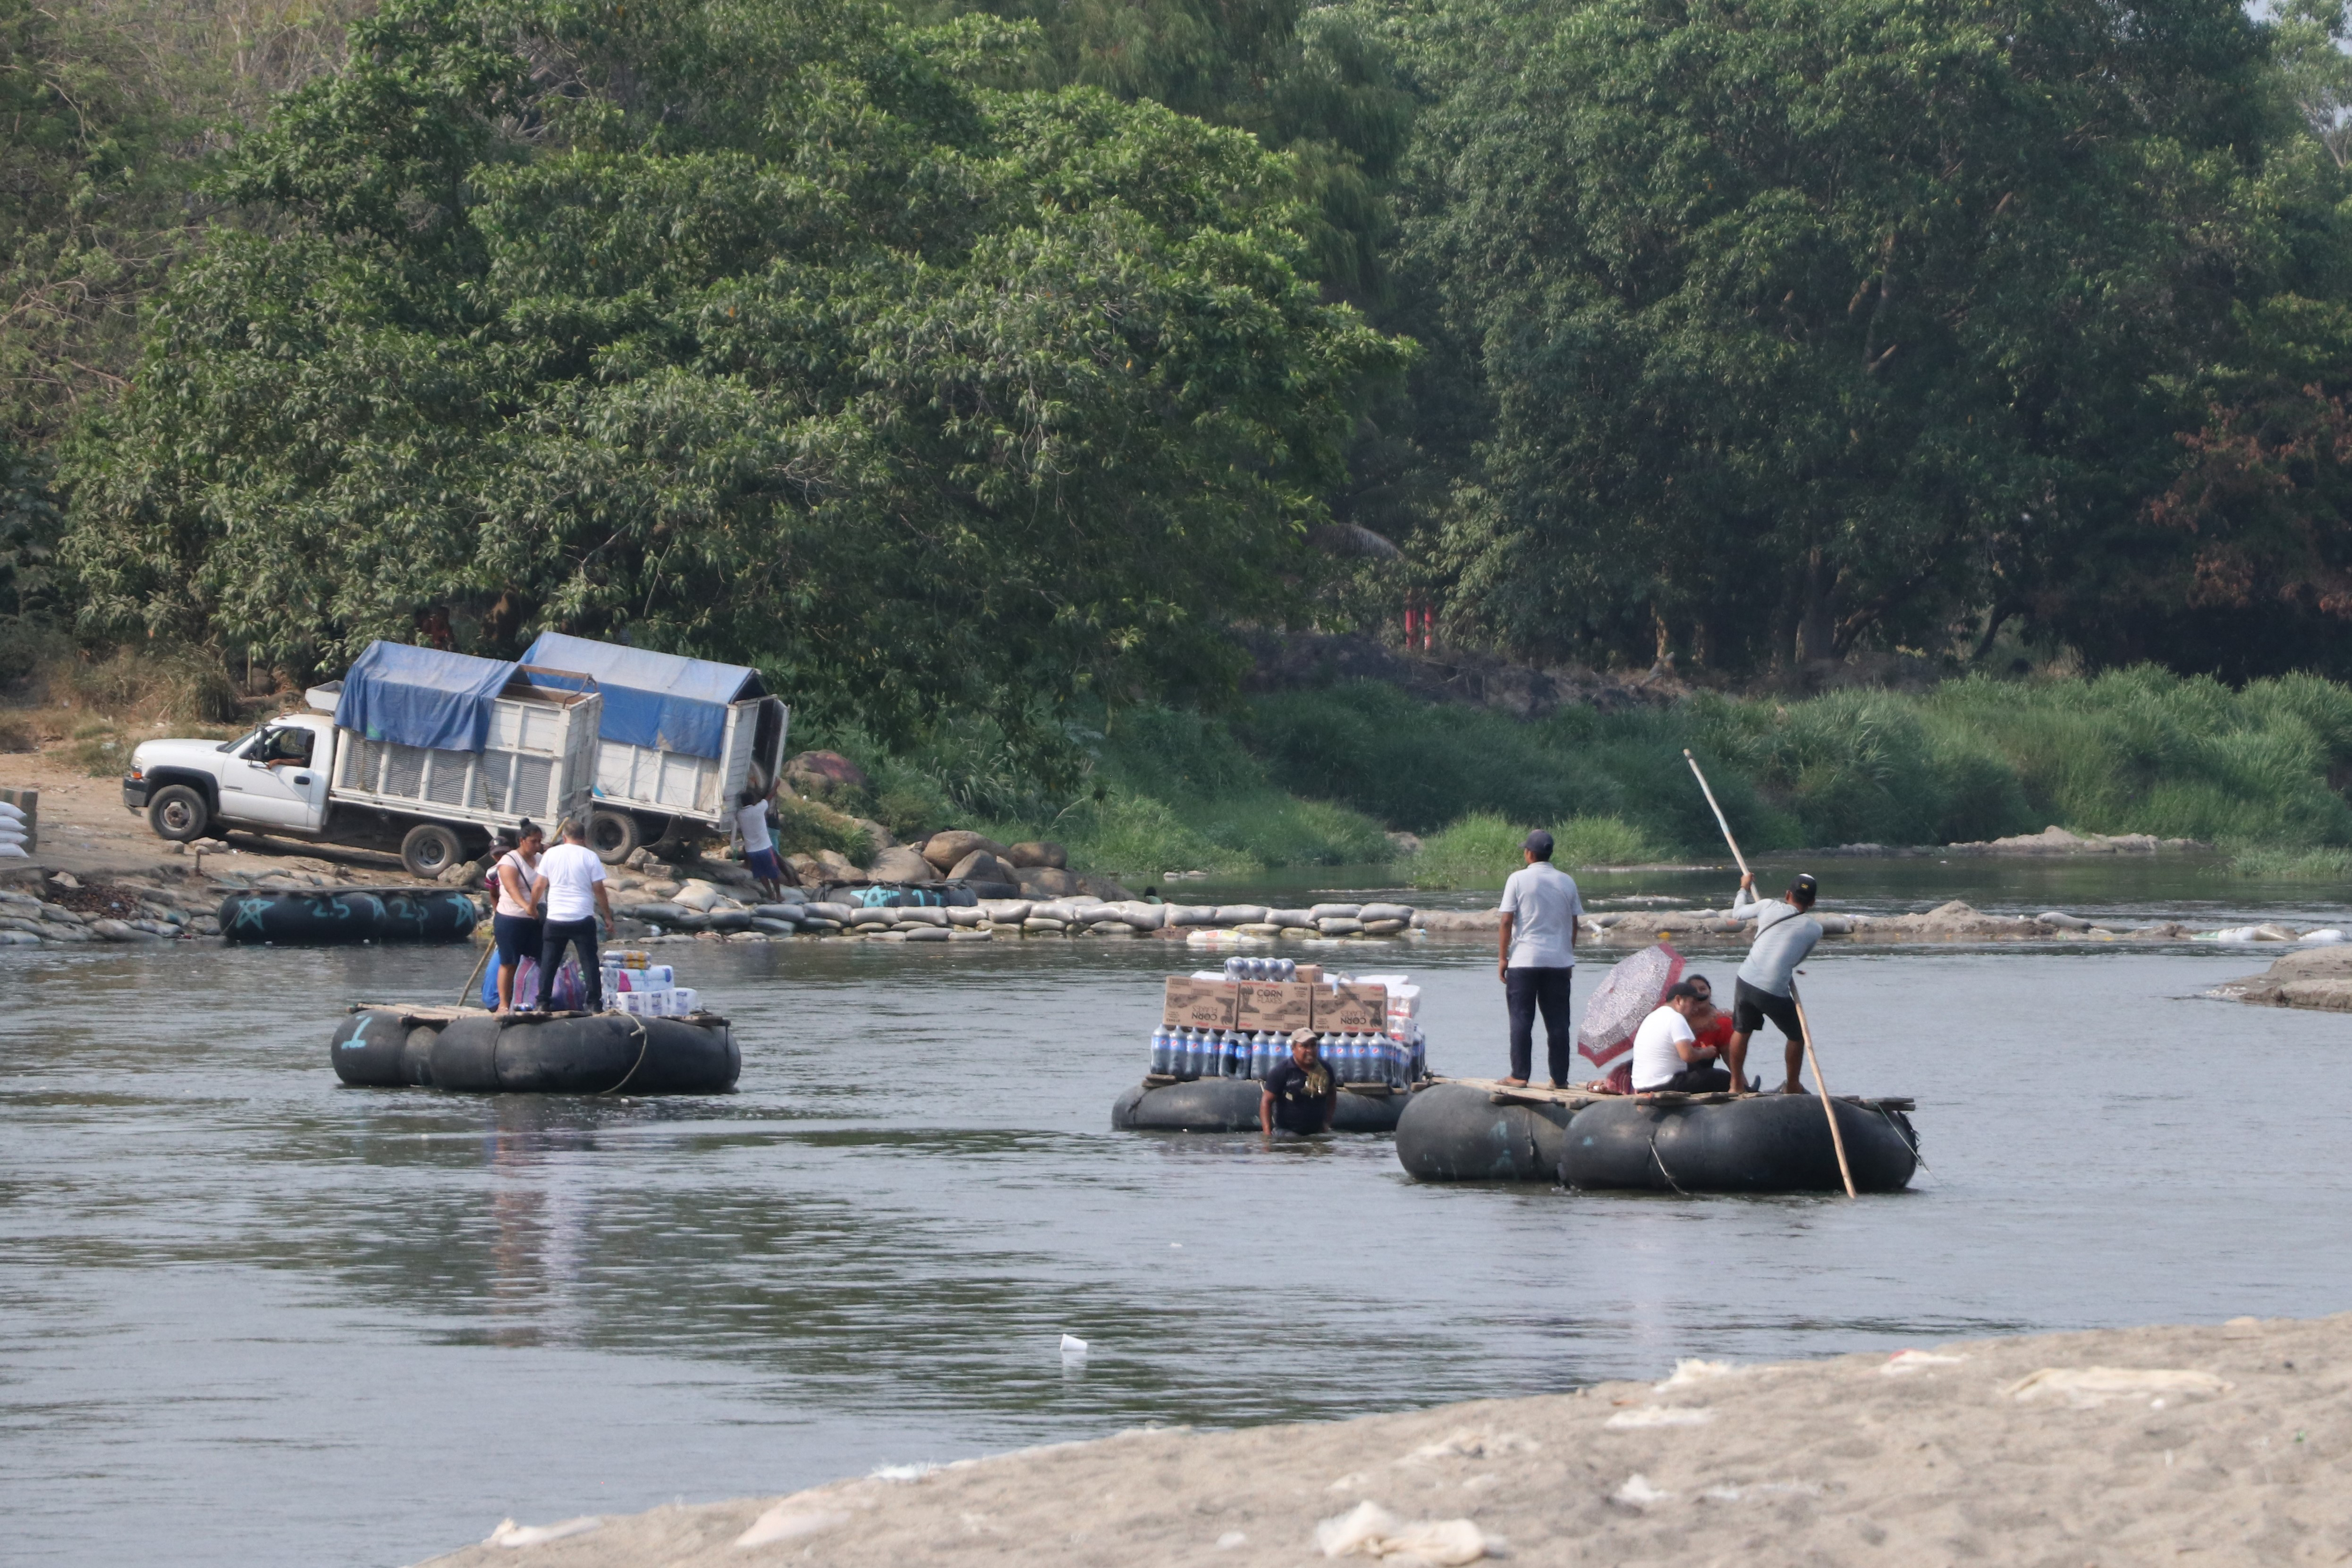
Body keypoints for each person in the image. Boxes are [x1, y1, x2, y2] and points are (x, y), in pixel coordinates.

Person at [1497, 828, 1584, 1087]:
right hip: (1558, 962)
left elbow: (1506, 921)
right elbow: (1574, 924)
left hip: (1524, 961)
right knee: (1558, 1023)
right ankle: (1559, 1079)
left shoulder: (1517, 880)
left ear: (1529, 854)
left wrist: (1503, 958)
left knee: (1521, 1020)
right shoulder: (1567, 881)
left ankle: (1519, 1076)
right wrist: (1567, 955)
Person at [1726, 870, 1823, 1095]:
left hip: (1746, 979)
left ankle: (1735, 1085)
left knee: (1741, 1030)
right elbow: (1797, 959)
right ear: (1813, 903)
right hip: (1772, 988)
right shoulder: (1815, 929)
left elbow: (1738, 913)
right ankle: (1792, 1085)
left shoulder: (1768, 906)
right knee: (1797, 1036)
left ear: (1788, 894)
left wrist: (1744, 887)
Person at [528, 818, 614, 1013]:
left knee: (549, 960)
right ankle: (594, 1004)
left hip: (556, 917)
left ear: (564, 837)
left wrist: (532, 907)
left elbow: (540, 885)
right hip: (582, 917)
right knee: (589, 961)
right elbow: (599, 890)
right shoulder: (590, 857)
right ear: (584, 838)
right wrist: (608, 917)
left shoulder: (551, 854)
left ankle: (543, 1002)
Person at [1629, 980, 1731, 1093]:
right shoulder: (1676, 1018)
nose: (1696, 1009)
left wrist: (1697, 1050)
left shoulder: (1652, 1017)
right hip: (1665, 1084)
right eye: (1693, 1003)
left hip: (1641, 1085)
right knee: (1722, 1077)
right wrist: (1706, 1053)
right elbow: (1688, 1056)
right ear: (1678, 1000)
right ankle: (1746, 1092)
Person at [489, 820, 546, 1013]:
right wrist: (527, 907)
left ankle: (540, 1000)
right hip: (511, 918)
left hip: (537, 919)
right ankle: (504, 1005)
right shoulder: (509, 861)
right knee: (509, 962)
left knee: (542, 959)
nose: (537, 846)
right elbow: (512, 889)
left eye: (540, 842)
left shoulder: (541, 859)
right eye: (533, 841)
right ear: (522, 841)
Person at [1260, 1028, 1337, 1136]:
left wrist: (1327, 1123)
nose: (1310, 1050)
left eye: (1313, 1045)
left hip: (1316, 1132)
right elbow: (1266, 1102)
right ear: (1293, 1049)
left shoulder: (1325, 1069)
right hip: (1288, 1132)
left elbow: (1333, 1093)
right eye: (1304, 1046)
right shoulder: (1281, 1071)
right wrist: (1267, 1135)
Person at [736, 774, 787, 902]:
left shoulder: (740, 815)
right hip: (765, 848)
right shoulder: (759, 809)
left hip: (752, 851)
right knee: (773, 872)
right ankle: (779, 895)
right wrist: (776, 785)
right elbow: (770, 796)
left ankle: (770, 893)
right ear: (753, 801)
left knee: (761, 874)